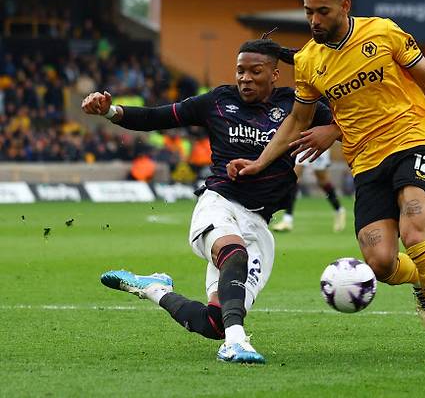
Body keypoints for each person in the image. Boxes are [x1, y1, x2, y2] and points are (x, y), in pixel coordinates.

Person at [229, 0, 425, 358]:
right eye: (309, 12)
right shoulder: (310, 61)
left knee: (415, 235)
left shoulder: (382, 32)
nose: (314, 20)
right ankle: (421, 283)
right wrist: (261, 161)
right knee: (380, 263)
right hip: (364, 161)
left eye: (322, 11)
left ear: (344, 6)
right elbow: (296, 120)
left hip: (411, 140)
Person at [81, 38, 334, 364]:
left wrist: (335, 132)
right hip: (220, 203)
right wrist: (112, 111)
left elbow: (351, 114)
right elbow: (159, 116)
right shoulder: (219, 101)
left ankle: (154, 288)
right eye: (240, 70)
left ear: (275, 74)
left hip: (259, 223)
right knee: (234, 253)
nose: (245, 78)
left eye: (255, 71)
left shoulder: (298, 106)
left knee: (216, 321)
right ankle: (236, 343)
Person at [272, 138, 346, 233]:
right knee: (294, 178)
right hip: (302, 143)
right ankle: (287, 220)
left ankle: (339, 210)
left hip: (317, 142)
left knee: (322, 180)